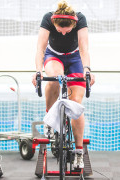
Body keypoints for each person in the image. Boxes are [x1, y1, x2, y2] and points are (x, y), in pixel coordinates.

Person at [32, 0, 95, 169]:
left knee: (76, 105)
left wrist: (87, 69)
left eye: (68, 31)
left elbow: (83, 48)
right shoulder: (47, 19)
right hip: (54, 56)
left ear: (74, 23)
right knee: (55, 78)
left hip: (75, 59)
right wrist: (38, 70)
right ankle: (49, 119)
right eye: (61, 30)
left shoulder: (80, 19)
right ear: (54, 23)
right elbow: (40, 47)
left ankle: (79, 152)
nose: (65, 34)